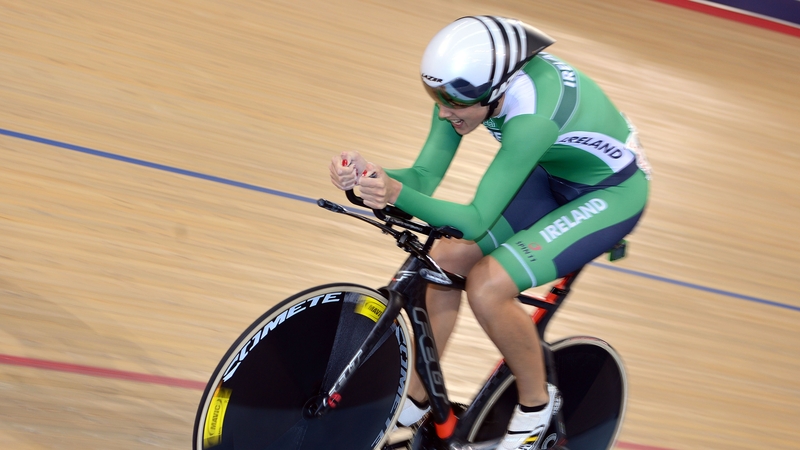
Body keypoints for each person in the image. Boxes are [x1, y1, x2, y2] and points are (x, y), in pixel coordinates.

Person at [329, 15, 650, 450]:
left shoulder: (533, 115)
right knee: (440, 260)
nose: (444, 111)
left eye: (454, 105)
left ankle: (536, 407)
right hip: (550, 174)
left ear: (496, 92)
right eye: (435, 97)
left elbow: (477, 218)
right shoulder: (462, 88)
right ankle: (421, 398)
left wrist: (395, 192)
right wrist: (372, 177)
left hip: (610, 195)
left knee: (488, 285)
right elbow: (423, 176)